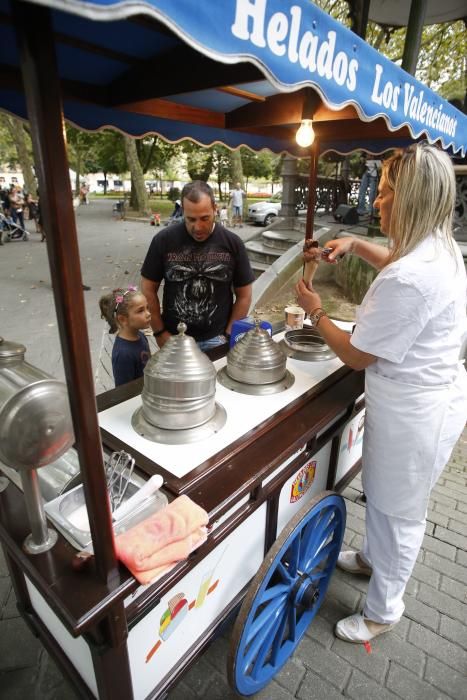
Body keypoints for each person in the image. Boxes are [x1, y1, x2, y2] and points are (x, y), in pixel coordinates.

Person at [295, 143, 467, 644]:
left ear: (411, 200)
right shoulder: (436, 246)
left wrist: (315, 310)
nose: (377, 201)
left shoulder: (413, 279)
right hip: (419, 401)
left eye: (387, 192)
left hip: (417, 412)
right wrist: (353, 242)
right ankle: (372, 559)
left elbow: (355, 354)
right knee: (386, 495)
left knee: (399, 510)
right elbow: (394, 256)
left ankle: (383, 610)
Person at [141, 180, 254, 352]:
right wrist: (160, 333)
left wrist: (229, 335)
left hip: (217, 339)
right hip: (174, 339)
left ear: (215, 208)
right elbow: (148, 289)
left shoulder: (233, 243)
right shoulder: (163, 241)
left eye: (205, 218)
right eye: (191, 219)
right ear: (183, 211)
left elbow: (244, 295)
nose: (198, 227)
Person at [99, 286, 151, 387]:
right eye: (141, 311)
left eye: (147, 308)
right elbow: (123, 391)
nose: (148, 313)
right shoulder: (123, 354)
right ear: (123, 319)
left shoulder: (141, 336)